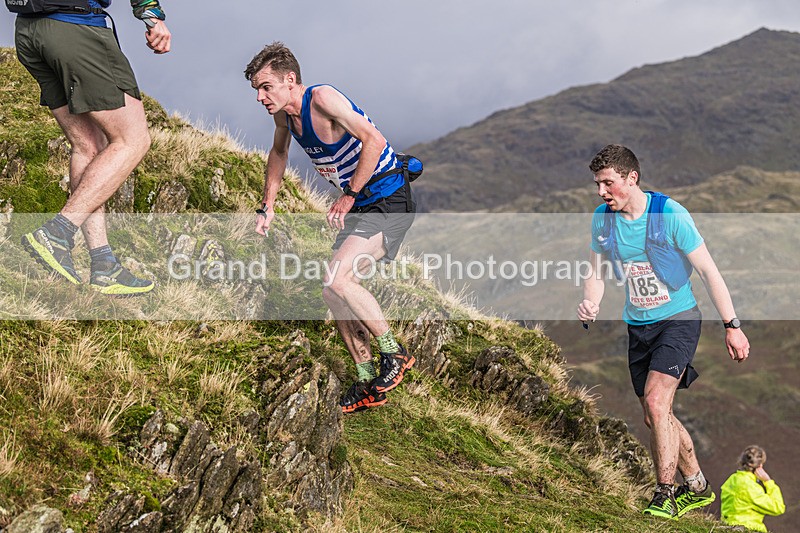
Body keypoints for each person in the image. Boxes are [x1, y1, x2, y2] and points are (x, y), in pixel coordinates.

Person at [576, 144, 750, 519]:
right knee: (655, 415)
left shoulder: (670, 214)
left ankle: (665, 494)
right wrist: (591, 302)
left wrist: (732, 326)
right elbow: (596, 271)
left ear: (631, 178)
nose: (601, 192)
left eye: (608, 183)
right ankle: (698, 486)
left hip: (679, 319)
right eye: (597, 185)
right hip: (638, 326)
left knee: (657, 403)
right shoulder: (602, 220)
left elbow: (708, 272)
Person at [244, 42, 416, 414]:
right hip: (363, 205)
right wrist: (267, 205)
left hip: (388, 196)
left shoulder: (322, 98)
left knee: (340, 281)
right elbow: (278, 154)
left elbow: (376, 140)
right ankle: (368, 378)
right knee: (332, 291)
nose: (260, 97)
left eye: (266, 87)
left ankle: (394, 352)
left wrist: (349, 195)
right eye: (256, 90)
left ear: (290, 80)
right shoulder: (284, 118)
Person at [14, 0, 171, 296]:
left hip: (29, 31)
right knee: (133, 139)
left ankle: (103, 265)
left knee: (88, 145)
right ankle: (58, 232)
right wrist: (153, 17)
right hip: (74, 27)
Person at [721, 445, 786, 532]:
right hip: (749, 528)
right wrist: (768, 482)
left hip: (726, 526)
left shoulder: (731, 480)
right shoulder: (751, 487)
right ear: (760, 466)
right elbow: (778, 508)